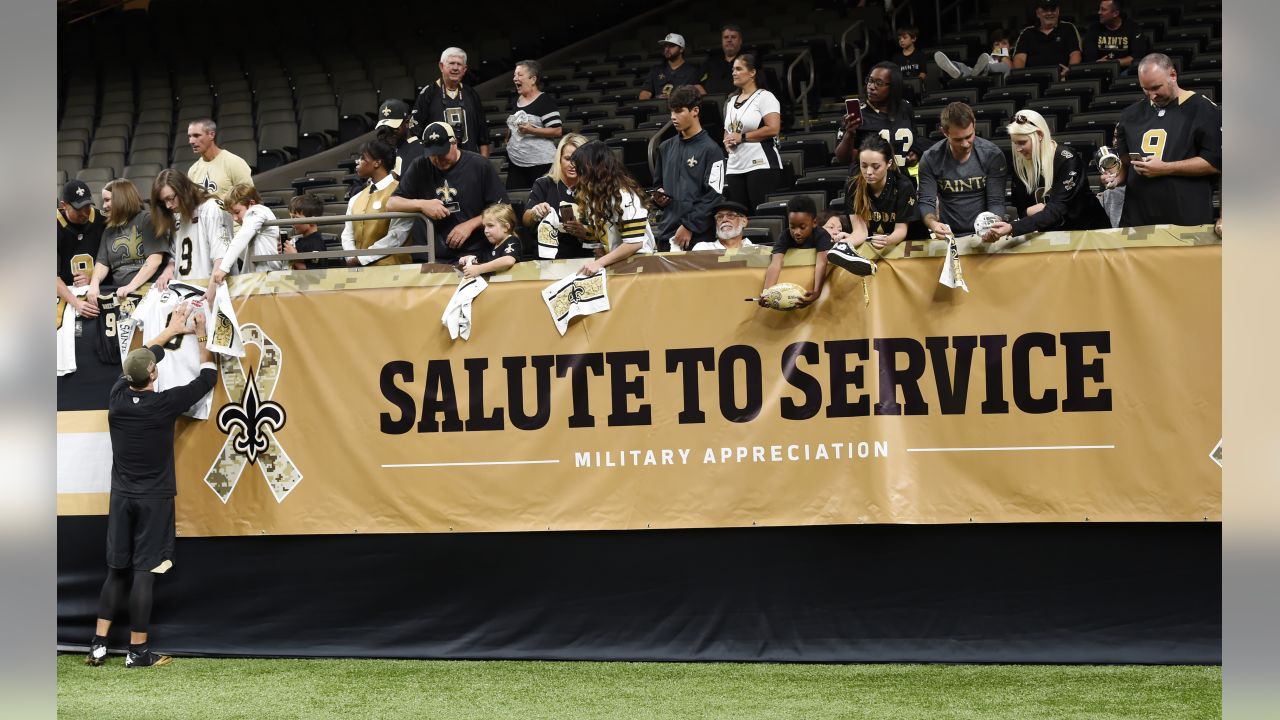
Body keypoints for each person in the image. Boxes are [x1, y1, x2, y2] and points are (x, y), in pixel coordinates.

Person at [84, 302, 215, 669]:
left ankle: (97, 644)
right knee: (144, 573)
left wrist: (170, 331)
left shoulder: (117, 399)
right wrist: (200, 333)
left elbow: (142, 358)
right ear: (154, 375)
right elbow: (206, 379)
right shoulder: (164, 404)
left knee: (116, 572)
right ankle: (138, 652)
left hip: (122, 498)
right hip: (153, 500)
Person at [1102, 53, 1222, 228]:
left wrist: (1165, 168)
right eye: (1145, 89)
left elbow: (1215, 163)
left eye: (1156, 87)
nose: (1152, 95)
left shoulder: (1203, 109)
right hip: (1137, 218)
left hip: (1187, 217)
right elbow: (1126, 162)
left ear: (1173, 75)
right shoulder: (1130, 114)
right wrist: (1116, 178)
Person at [387, 121, 508, 264]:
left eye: (442, 153)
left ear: (454, 143)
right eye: (433, 155)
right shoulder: (419, 165)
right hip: (432, 253)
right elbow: (391, 204)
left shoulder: (479, 165)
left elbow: (504, 208)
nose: (438, 160)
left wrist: (471, 224)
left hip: (473, 252)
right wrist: (421, 205)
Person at [984, 110, 1110, 241]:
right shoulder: (1021, 164)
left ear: (1039, 135)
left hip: (1088, 232)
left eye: (1022, 142)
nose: (1018, 149)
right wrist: (1028, 212)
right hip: (1051, 235)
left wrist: (1012, 227)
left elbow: (1058, 209)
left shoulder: (1067, 159)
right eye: (1015, 143)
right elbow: (1022, 209)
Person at [917, 102, 1008, 238]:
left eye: (969, 136)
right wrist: (934, 225)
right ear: (944, 132)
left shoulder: (992, 155)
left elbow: (996, 201)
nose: (965, 144)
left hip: (984, 233)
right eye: (958, 139)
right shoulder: (930, 158)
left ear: (974, 125)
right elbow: (926, 201)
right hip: (949, 235)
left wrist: (994, 225)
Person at [652, 85, 725, 252]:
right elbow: (658, 185)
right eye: (671, 112)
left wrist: (689, 225)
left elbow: (714, 195)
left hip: (697, 236)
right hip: (666, 230)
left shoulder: (712, 150)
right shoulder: (665, 147)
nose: (673, 117)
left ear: (695, 111)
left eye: (679, 111)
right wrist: (659, 197)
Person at [570, 140, 656, 275]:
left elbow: (634, 244)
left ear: (595, 167)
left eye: (582, 167)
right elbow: (601, 236)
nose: (579, 173)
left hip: (639, 264)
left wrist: (599, 263)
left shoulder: (625, 196)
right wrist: (586, 234)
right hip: (614, 264)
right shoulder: (592, 195)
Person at [86, 179, 167, 307]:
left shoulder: (147, 220)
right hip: (121, 294)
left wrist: (130, 286)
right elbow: (102, 263)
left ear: (121, 198)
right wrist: (94, 285)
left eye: (107, 200)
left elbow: (155, 260)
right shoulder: (109, 229)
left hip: (149, 292)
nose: (103, 206)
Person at [150, 169, 233, 289]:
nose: (168, 206)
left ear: (184, 190)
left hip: (213, 287)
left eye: (170, 198)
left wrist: (212, 291)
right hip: (185, 290)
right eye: (163, 202)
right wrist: (168, 270)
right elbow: (175, 256)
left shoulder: (212, 208)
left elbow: (222, 258)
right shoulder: (175, 214)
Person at [722, 54, 782, 214]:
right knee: (740, 215)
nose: (734, 72)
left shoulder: (765, 97)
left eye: (739, 69)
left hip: (760, 162)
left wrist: (742, 137)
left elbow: (773, 128)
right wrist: (726, 141)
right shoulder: (730, 100)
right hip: (735, 165)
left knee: (760, 213)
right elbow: (728, 130)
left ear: (752, 72)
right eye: (733, 69)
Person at [205, 184, 284, 302]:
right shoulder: (254, 222)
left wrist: (223, 268)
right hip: (261, 281)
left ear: (251, 203)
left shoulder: (258, 210)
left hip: (268, 281)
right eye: (231, 214)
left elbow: (242, 237)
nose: (235, 218)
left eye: (237, 212)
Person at [340, 139, 413, 267]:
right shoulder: (355, 198)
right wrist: (351, 257)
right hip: (359, 271)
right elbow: (347, 234)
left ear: (377, 162)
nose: (357, 162)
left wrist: (362, 259)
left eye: (362, 158)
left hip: (394, 271)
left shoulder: (401, 193)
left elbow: (398, 234)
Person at [834, 61, 915, 169]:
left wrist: (914, 154)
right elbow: (843, 159)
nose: (871, 87)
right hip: (869, 181)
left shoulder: (905, 107)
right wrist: (849, 134)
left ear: (894, 86)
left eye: (879, 83)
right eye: (870, 81)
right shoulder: (858, 114)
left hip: (901, 180)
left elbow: (915, 137)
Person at [524, 133, 594, 259]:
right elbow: (526, 219)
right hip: (546, 258)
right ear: (559, 159)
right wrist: (535, 213)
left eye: (578, 160)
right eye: (568, 159)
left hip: (583, 257)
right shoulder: (544, 183)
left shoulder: (594, 187)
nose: (573, 164)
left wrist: (585, 233)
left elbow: (605, 231)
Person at [410, 47, 490, 157]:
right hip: (438, 163)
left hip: (470, 163)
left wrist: (483, 165)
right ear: (441, 66)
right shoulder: (428, 94)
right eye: (451, 63)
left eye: (459, 64)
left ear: (465, 69)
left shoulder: (472, 94)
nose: (455, 68)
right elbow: (415, 132)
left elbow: (483, 137)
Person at [843, 135, 918, 252]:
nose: (868, 172)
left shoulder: (903, 186)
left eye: (876, 167)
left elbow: (901, 231)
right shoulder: (853, 185)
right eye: (864, 166)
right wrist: (844, 244)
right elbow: (860, 232)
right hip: (868, 247)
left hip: (901, 249)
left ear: (889, 163)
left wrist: (886, 240)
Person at [760, 195, 831, 308]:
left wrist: (817, 291)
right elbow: (775, 264)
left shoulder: (822, 235)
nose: (796, 232)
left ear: (814, 222)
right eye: (792, 227)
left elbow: (822, 263)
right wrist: (767, 292)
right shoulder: (785, 236)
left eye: (802, 227)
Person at [504, 60, 563, 190]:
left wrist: (532, 130)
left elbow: (557, 131)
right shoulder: (516, 100)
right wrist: (509, 135)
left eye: (519, 75)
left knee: (541, 201)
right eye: (514, 75)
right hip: (516, 162)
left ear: (533, 79)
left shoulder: (544, 101)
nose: (515, 79)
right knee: (515, 198)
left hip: (541, 163)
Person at [57, 179, 106, 319]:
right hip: (65, 294)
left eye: (87, 206)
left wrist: (92, 279)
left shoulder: (102, 220)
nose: (85, 213)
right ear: (64, 205)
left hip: (96, 291)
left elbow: (111, 262)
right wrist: (76, 303)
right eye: (78, 209)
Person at [185, 118, 253, 203]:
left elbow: (249, 198)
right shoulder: (193, 170)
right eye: (189, 136)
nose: (191, 141)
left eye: (196, 135)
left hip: (230, 214)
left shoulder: (234, 162)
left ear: (211, 135)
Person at [1012, 1, 1082, 81]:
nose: (1049, 13)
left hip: (1061, 78)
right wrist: (1021, 77)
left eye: (1053, 9)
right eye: (1045, 10)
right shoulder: (1027, 33)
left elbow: (1075, 53)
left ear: (1058, 11)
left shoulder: (1068, 28)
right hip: (1033, 79)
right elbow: (1019, 58)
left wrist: (1070, 71)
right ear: (1038, 13)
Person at [1082, 0, 1149, 74]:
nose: (1099, 12)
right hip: (1100, 70)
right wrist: (1097, 63)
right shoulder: (1093, 29)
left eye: (1103, 10)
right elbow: (1089, 58)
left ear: (1115, 13)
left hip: (1126, 71)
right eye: (1099, 9)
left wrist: (1113, 63)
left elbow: (1137, 57)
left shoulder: (1133, 28)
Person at [459, 203, 521, 278]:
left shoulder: (512, 240)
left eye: (490, 226)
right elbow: (481, 260)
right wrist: (470, 259)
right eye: (484, 226)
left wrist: (479, 269)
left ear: (505, 227)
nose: (486, 230)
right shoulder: (489, 245)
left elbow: (508, 260)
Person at [638, 33, 705, 101]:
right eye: (665, 46)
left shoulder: (692, 70)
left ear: (681, 49)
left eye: (671, 46)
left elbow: (700, 93)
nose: (667, 49)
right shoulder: (656, 70)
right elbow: (645, 93)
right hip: (661, 109)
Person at [934, 29, 1014, 81]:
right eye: (997, 44)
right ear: (992, 47)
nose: (1000, 46)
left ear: (1010, 47)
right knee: (967, 68)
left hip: (997, 81)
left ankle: (982, 69)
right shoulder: (990, 57)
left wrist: (1003, 55)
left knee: (998, 65)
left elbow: (1010, 68)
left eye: (1004, 43)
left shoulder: (1009, 60)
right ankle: (956, 67)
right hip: (981, 79)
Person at [373, 99, 424, 179]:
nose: (389, 131)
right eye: (385, 127)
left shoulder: (421, 150)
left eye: (394, 127)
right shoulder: (385, 150)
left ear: (407, 122)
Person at [283, 193, 335, 270]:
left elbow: (313, 272)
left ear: (312, 220)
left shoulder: (316, 242)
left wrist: (294, 256)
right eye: (290, 217)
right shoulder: (301, 240)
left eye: (295, 218)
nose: (291, 222)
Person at [700, 24, 747, 96]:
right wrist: (706, 98)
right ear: (722, 41)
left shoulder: (748, 60)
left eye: (733, 37)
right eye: (726, 37)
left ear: (740, 41)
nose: (729, 40)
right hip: (711, 103)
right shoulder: (711, 61)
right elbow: (696, 83)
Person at [691, 199, 756, 251]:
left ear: (744, 221)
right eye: (719, 217)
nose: (724, 220)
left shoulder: (758, 252)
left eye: (731, 215)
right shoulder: (702, 249)